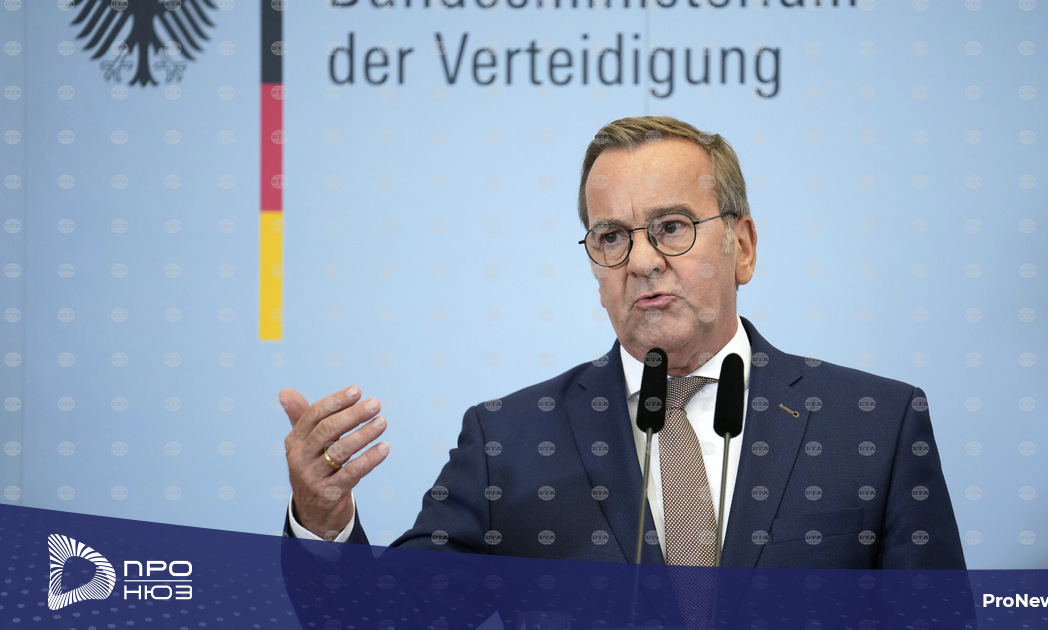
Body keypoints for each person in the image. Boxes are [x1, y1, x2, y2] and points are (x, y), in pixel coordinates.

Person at [280, 115, 966, 570]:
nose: (641, 261)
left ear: (743, 247)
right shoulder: (507, 442)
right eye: (611, 236)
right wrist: (322, 520)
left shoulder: (873, 425)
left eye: (671, 227)